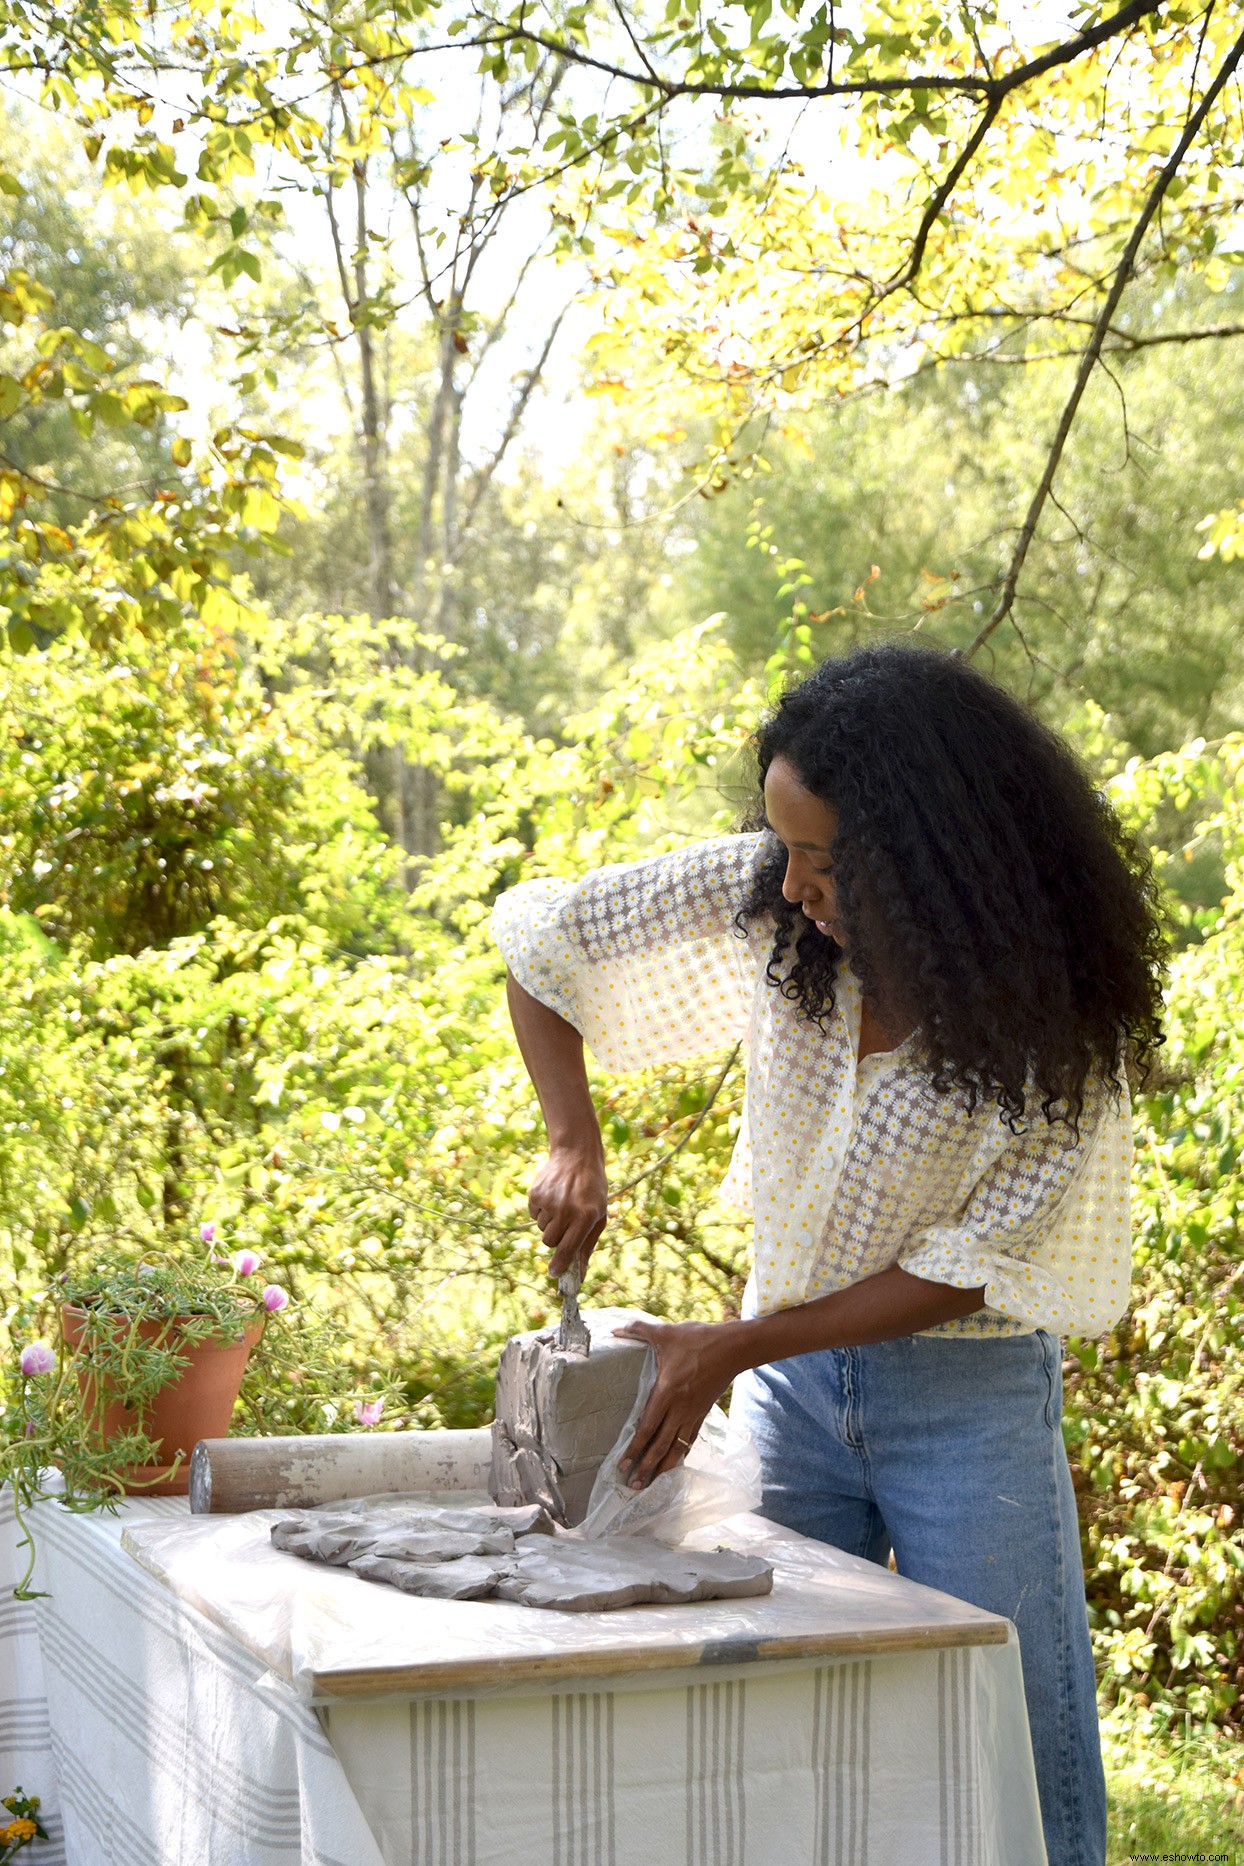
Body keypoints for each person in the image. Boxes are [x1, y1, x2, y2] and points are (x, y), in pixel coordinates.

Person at [494, 641, 1166, 1866]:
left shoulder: (1053, 1017)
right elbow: (541, 942)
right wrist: (570, 1140)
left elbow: (981, 1263)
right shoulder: (763, 897)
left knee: (1010, 1714)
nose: (793, 882)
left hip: (964, 1397)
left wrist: (735, 1344)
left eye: (824, 857)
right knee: (788, 1708)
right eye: (785, 847)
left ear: (933, 855)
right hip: (786, 1391)